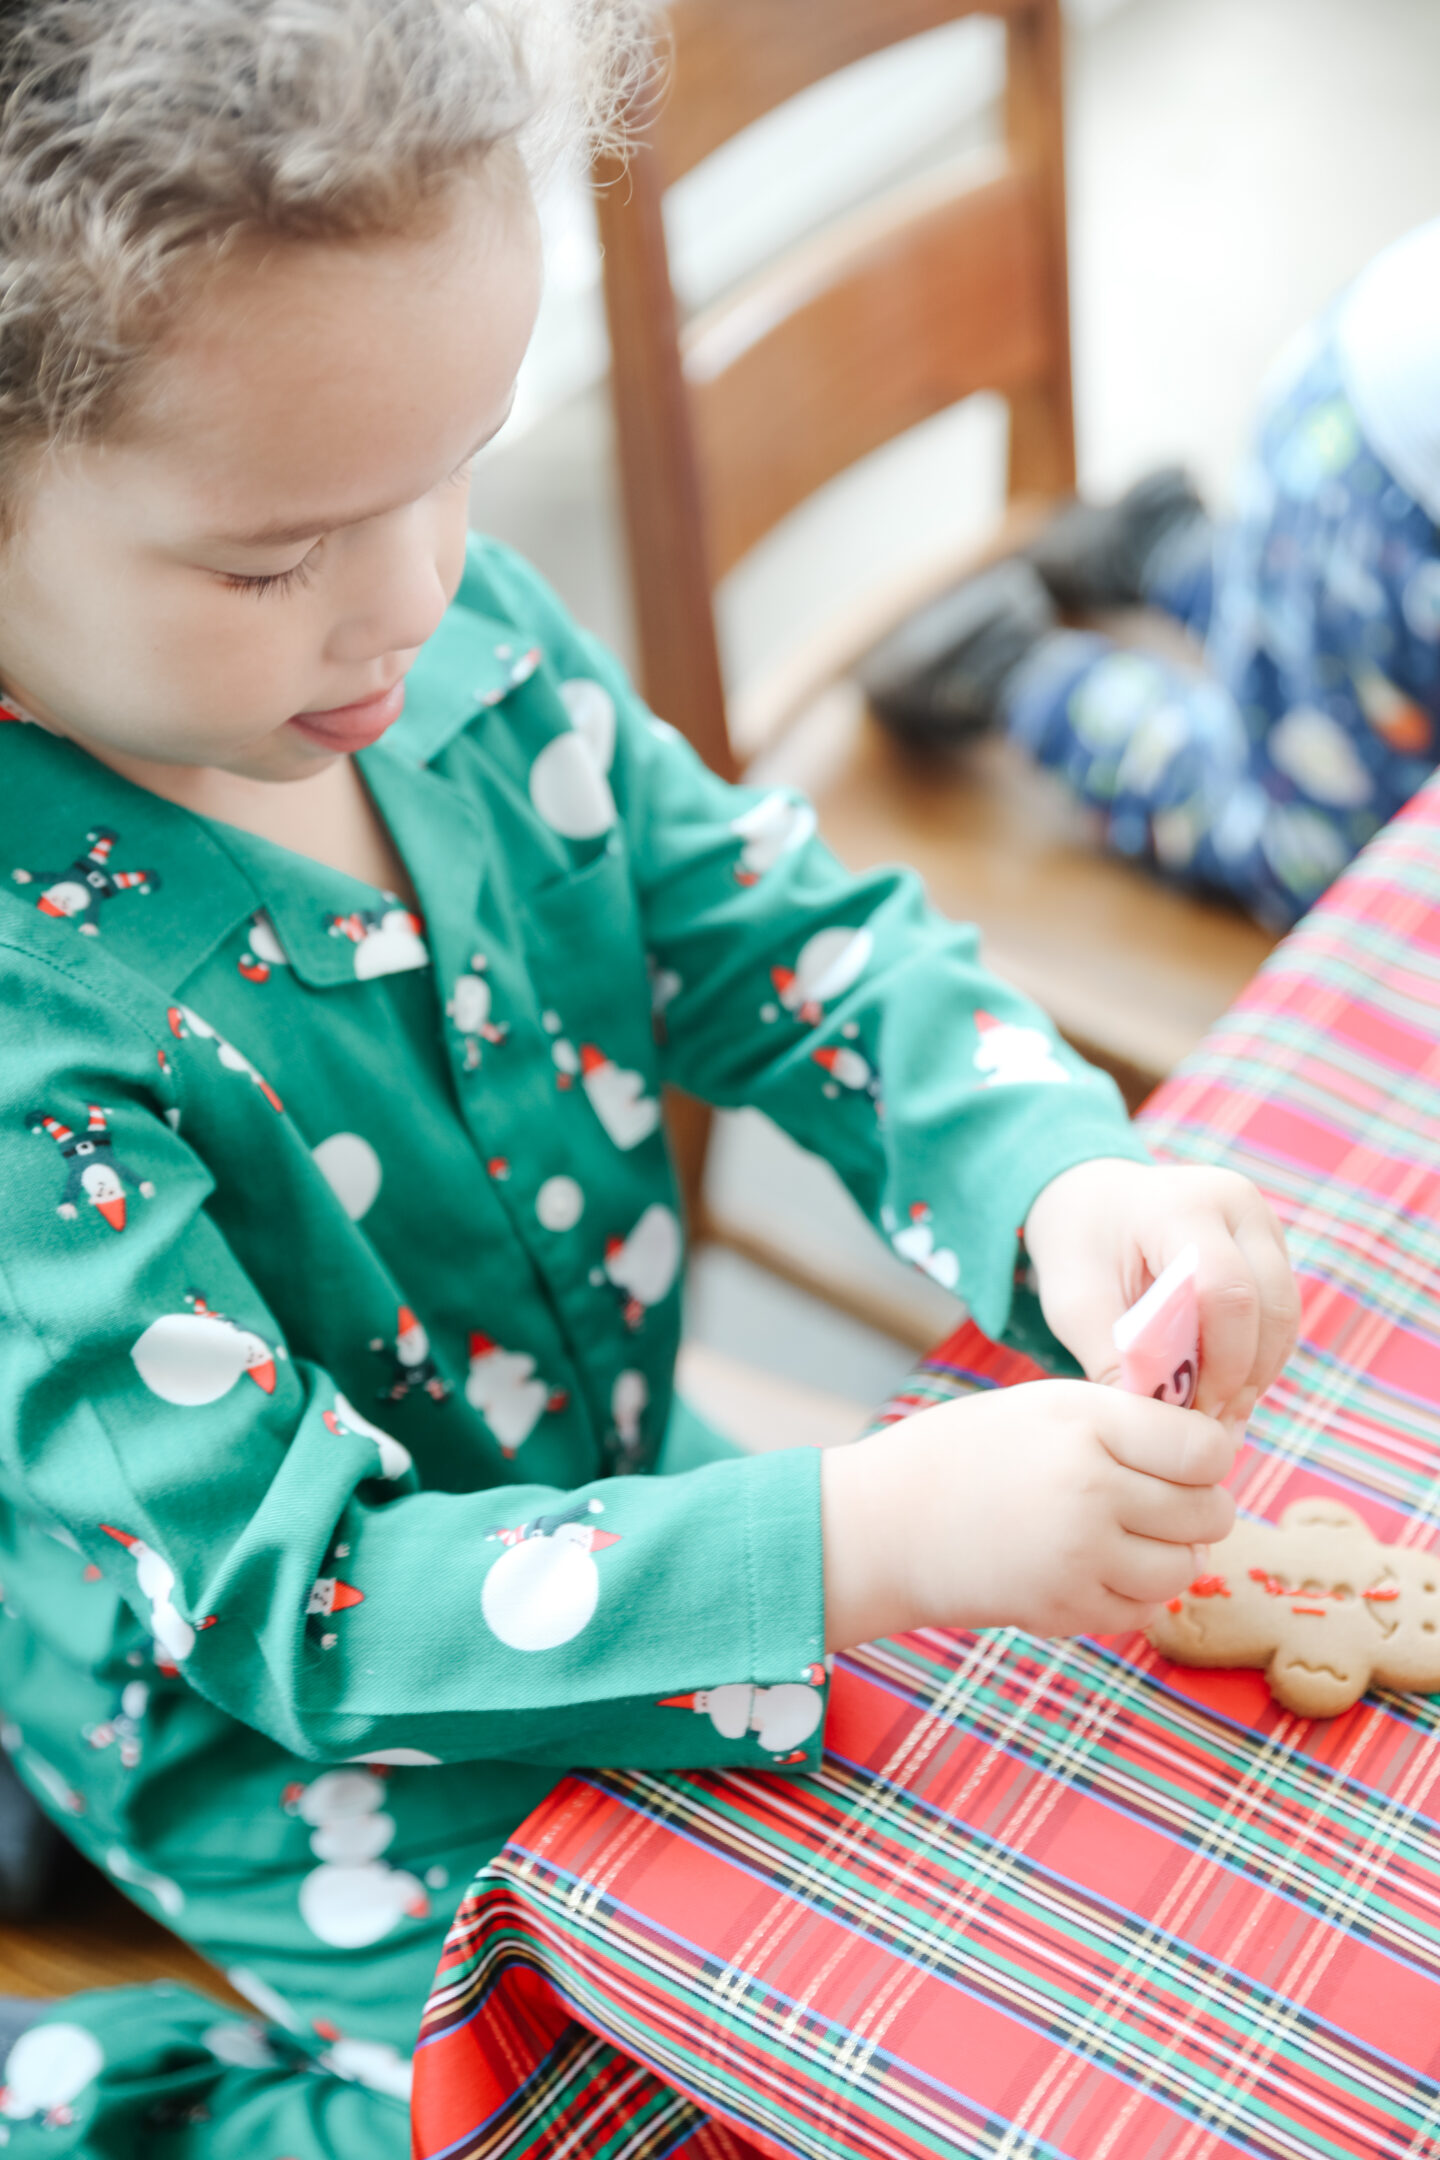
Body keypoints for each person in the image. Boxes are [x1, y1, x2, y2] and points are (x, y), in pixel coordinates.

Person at [0, 3, 1298, 2152]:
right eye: (273, 558)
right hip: (305, 1736)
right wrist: (852, 1532)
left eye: (462, 468)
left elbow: (783, 944)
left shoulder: (444, 638)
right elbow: (305, 1603)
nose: (414, 598)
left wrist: (1059, 1168)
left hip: (625, 1483)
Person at [863, 217, 1440, 931]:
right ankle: (1025, 676)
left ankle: (1179, 557)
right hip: (1379, 524)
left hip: (1360, 382)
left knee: (1300, 641)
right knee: (1342, 867)